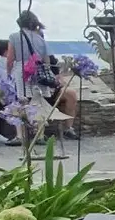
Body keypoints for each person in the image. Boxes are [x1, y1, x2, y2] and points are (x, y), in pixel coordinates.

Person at [6, 10, 80, 141]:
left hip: (22, 71)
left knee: (22, 102)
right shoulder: (40, 38)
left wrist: (8, 74)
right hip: (39, 72)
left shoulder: (14, 37)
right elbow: (47, 60)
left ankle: (20, 136)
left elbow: (10, 59)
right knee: (39, 103)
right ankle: (40, 134)